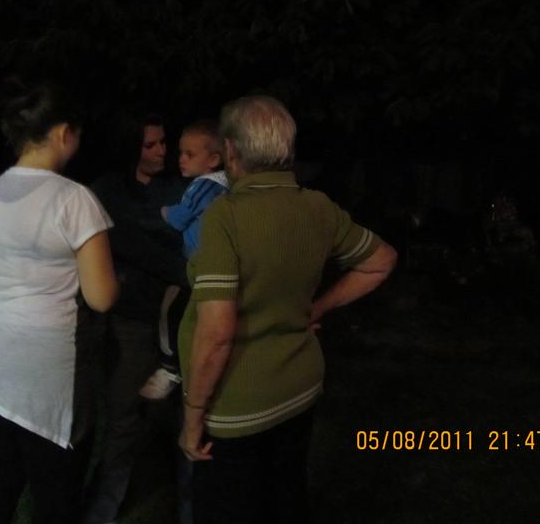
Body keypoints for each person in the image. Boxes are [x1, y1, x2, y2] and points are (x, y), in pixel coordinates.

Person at [178, 95, 398, 524]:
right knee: (284, 499)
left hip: (237, 405)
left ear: (231, 151)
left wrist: (193, 416)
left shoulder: (225, 216)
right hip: (298, 391)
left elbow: (217, 333)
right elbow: (381, 259)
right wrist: (317, 308)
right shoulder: (317, 206)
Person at [0, 83, 118, 524]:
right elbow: (102, 298)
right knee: (56, 497)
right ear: (65, 133)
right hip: (42, 369)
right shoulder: (74, 199)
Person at [83, 115, 189, 524]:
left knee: (187, 416)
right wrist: (183, 269)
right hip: (131, 322)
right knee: (123, 419)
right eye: (151, 145)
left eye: (164, 142)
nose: (162, 151)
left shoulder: (177, 186)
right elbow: (130, 243)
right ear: (129, 148)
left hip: (178, 321)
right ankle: (103, 509)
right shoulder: (108, 191)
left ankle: (190, 507)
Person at [139, 119, 229, 400]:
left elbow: (179, 218)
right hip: (214, 266)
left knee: (171, 310)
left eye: (190, 154)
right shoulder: (228, 185)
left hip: (196, 267)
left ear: (213, 160)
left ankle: (169, 368)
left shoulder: (203, 186)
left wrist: (163, 211)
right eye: (181, 152)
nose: (181, 159)